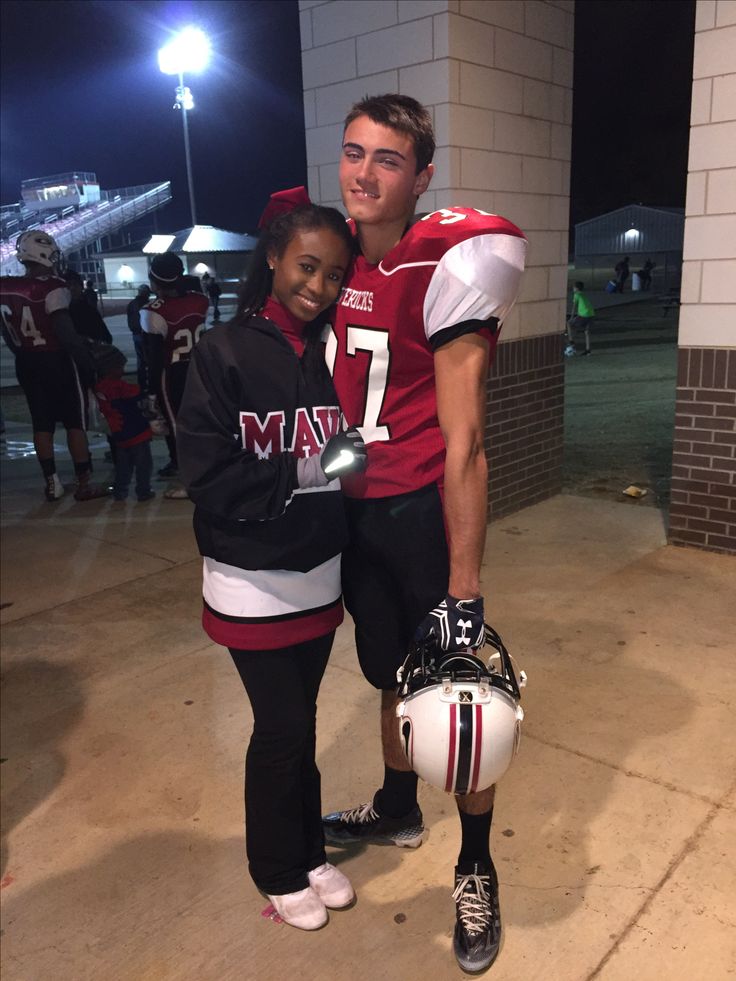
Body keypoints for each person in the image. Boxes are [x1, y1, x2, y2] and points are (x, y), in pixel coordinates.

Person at [320, 94, 526, 974]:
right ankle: (398, 803)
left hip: (415, 517)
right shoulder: (325, 257)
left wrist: (466, 586)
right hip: (353, 511)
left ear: (423, 176)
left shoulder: (442, 258)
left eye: (388, 160)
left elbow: (467, 440)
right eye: (353, 152)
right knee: (386, 676)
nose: (364, 173)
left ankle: (475, 865)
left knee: (458, 698)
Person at [176, 201, 367, 931]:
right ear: (274, 261)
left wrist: (340, 462)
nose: (317, 286)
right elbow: (210, 476)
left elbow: (351, 448)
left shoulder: (332, 353)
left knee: (302, 723)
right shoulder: (223, 350)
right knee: (281, 727)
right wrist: (314, 468)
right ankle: (278, 866)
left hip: (318, 574)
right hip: (251, 581)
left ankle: (310, 849)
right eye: (306, 266)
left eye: (333, 274)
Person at [0, 230, 109, 502]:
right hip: (57, 359)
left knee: (42, 424)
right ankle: (84, 483)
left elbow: (6, 332)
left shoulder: (6, 286)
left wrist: (24, 352)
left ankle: (52, 482)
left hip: (26, 360)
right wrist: (88, 363)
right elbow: (65, 332)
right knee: (74, 423)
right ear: (44, 252)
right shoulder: (53, 287)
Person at [140, 252, 208, 489]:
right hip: (199, 368)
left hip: (172, 373)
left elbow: (155, 356)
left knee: (176, 423)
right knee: (201, 419)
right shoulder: (200, 300)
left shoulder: (153, 310)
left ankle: (189, 475)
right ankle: (198, 464)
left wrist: (150, 391)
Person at [93, 346, 155, 502]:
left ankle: (120, 491)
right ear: (112, 369)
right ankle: (143, 491)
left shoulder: (100, 389)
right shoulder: (120, 387)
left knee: (123, 466)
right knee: (143, 464)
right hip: (137, 432)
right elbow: (137, 395)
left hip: (118, 433)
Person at [65, 270, 113, 343]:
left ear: (81, 287)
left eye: (75, 284)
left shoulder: (89, 310)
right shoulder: (62, 312)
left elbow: (106, 337)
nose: (72, 288)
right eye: (68, 286)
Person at [126, 284, 152, 392]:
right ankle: (151, 384)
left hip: (136, 334)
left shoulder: (131, 304)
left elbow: (130, 319)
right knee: (151, 360)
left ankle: (142, 385)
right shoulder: (148, 304)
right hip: (147, 335)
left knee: (140, 360)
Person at [565, 281, 596, 356]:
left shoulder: (577, 295)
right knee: (587, 332)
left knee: (569, 324)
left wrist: (571, 317)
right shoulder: (583, 295)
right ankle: (588, 350)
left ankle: (571, 341)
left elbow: (574, 307)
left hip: (584, 315)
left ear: (576, 288)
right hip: (591, 314)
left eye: (573, 287)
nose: (573, 289)